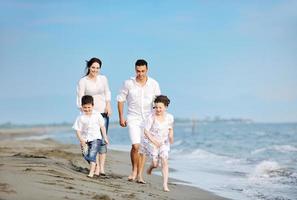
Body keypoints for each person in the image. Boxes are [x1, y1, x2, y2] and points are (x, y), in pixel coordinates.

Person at [117, 59, 161, 183]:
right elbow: (120, 99)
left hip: (148, 119)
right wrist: (121, 117)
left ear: (147, 70)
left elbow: (158, 102)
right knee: (136, 146)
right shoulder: (128, 83)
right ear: (135, 69)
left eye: (142, 71)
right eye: (138, 71)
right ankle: (134, 170)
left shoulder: (154, 84)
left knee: (143, 148)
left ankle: (140, 175)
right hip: (133, 118)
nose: (140, 73)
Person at [76, 57, 112, 176]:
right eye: (93, 67)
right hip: (89, 114)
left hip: (103, 112)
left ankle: (101, 168)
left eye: (97, 68)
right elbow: (80, 97)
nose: (95, 70)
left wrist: (108, 105)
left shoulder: (103, 79)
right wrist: (84, 112)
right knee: (91, 140)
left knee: (102, 140)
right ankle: (94, 165)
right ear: (89, 67)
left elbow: (107, 92)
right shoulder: (83, 81)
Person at [141, 95, 174, 192]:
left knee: (164, 160)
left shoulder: (169, 117)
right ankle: (151, 167)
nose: (158, 109)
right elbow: (146, 131)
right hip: (152, 142)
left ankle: (165, 185)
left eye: (160, 107)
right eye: (156, 107)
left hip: (164, 142)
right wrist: (154, 141)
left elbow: (170, 129)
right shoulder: (151, 117)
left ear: (165, 107)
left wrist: (171, 137)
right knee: (155, 164)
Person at [73, 95, 109, 178]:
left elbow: (102, 126)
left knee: (92, 154)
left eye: (89, 107)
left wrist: (105, 137)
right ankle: (96, 166)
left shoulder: (97, 115)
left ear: (93, 105)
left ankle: (91, 172)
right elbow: (77, 130)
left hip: (96, 138)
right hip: (85, 139)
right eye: (85, 107)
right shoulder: (80, 117)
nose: (87, 109)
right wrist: (81, 139)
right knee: (86, 155)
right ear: (82, 107)